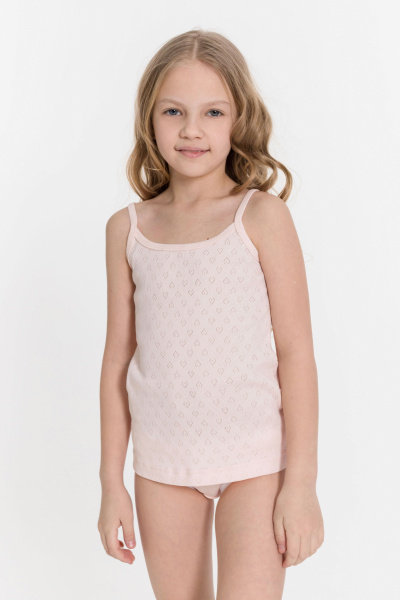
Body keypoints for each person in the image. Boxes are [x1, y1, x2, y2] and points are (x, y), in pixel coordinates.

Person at [98, 28, 324, 600]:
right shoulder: (128, 229)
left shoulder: (262, 217)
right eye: (173, 111)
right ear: (150, 119)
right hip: (163, 464)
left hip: (255, 461)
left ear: (238, 118)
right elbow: (117, 361)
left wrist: (301, 484)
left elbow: (296, 353)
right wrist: (110, 483)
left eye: (213, 112)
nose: (192, 129)